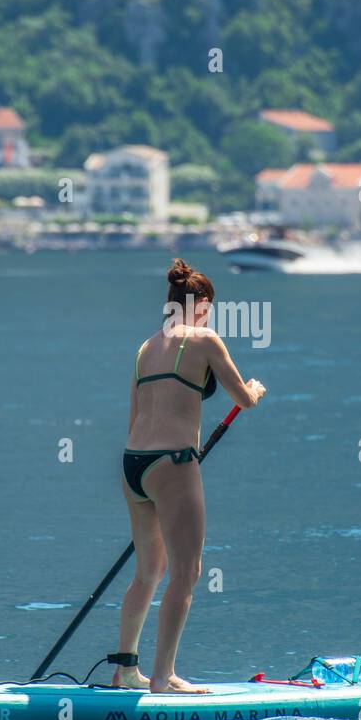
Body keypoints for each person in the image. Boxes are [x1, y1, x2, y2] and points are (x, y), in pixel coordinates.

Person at [112, 259, 265, 693]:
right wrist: (252, 390)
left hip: (132, 465)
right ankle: (162, 678)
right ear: (201, 305)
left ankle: (126, 670)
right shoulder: (204, 339)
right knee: (187, 573)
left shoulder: (145, 348)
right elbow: (243, 398)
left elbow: (133, 417)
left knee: (148, 572)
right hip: (172, 464)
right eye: (210, 307)